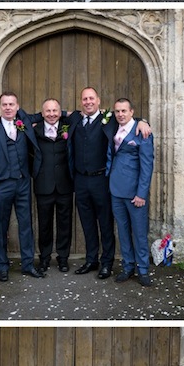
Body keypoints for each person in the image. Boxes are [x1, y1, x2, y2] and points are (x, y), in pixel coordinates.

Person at [0, 91, 43, 282]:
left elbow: (44, 114)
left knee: (26, 224)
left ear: (17, 107)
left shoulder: (24, 125)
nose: (8, 107)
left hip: (23, 182)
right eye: (4, 104)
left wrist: (66, 113)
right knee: (1, 225)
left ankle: (28, 264)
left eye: (11, 104)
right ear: (0, 107)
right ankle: (2, 266)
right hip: (1, 185)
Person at [66, 88, 117, 278]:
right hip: (80, 180)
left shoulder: (109, 119)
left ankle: (107, 262)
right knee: (87, 223)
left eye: (91, 98)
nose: (88, 102)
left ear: (98, 100)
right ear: (81, 102)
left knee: (105, 222)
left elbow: (128, 118)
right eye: (84, 99)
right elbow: (46, 115)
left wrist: (142, 123)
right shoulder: (75, 120)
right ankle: (91, 260)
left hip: (100, 180)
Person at [105, 96, 154, 286]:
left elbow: (147, 165)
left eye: (124, 111)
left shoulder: (142, 132)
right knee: (123, 232)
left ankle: (143, 269)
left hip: (135, 193)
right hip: (116, 190)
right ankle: (127, 266)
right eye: (117, 111)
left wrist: (142, 193)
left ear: (132, 112)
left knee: (139, 233)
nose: (120, 114)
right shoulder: (112, 126)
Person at [29, 98, 74, 273]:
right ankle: (44, 258)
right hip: (43, 184)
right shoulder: (35, 130)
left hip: (65, 185)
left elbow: (95, 114)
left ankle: (63, 258)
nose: (52, 114)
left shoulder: (68, 126)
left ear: (60, 112)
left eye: (55, 110)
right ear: (42, 113)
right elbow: (19, 117)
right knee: (44, 225)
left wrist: (141, 121)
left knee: (65, 224)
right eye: (48, 111)